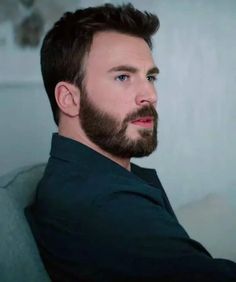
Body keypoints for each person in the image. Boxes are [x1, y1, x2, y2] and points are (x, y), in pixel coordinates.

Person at [25, 3, 236, 281]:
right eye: (123, 76)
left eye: (150, 77)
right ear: (69, 99)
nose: (150, 94)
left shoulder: (97, 179)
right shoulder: (101, 205)